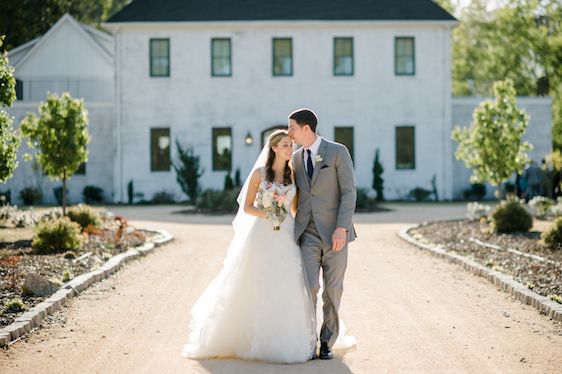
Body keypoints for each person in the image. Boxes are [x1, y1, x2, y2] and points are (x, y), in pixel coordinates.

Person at [182, 130, 317, 363]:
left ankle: (287, 336)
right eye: (285, 145)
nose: (289, 149)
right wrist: (269, 213)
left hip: (285, 234)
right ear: (274, 147)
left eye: (290, 145)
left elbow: (294, 209)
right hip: (261, 234)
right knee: (255, 280)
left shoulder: (294, 175)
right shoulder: (259, 174)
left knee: (287, 281)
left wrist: (291, 223)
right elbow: (246, 208)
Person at [288, 108, 357, 360]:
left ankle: (327, 342)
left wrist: (342, 227)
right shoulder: (295, 158)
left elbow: (349, 192)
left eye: (292, 127)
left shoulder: (337, 152)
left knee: (332, 290)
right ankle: (308, 339)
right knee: (308, 287)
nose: (289, 133)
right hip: (307, 233)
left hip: (336, 234)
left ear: (306, 128)